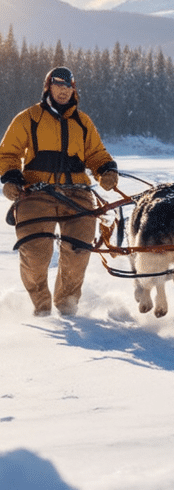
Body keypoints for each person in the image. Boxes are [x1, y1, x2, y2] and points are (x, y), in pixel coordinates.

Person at [0, 66, 118, 316]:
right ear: (48, 87)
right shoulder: (28, 118)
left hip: (77, 193)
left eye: (68, 86)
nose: (63, 91)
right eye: (58, 85)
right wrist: (11, 178)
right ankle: (42, 309)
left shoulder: (82, 122)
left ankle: (67, 306)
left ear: (73, 90)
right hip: (36, 193)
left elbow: (96, 153)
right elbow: (8, 153)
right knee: (34, 252)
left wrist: (106, 170)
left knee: (78, 252)